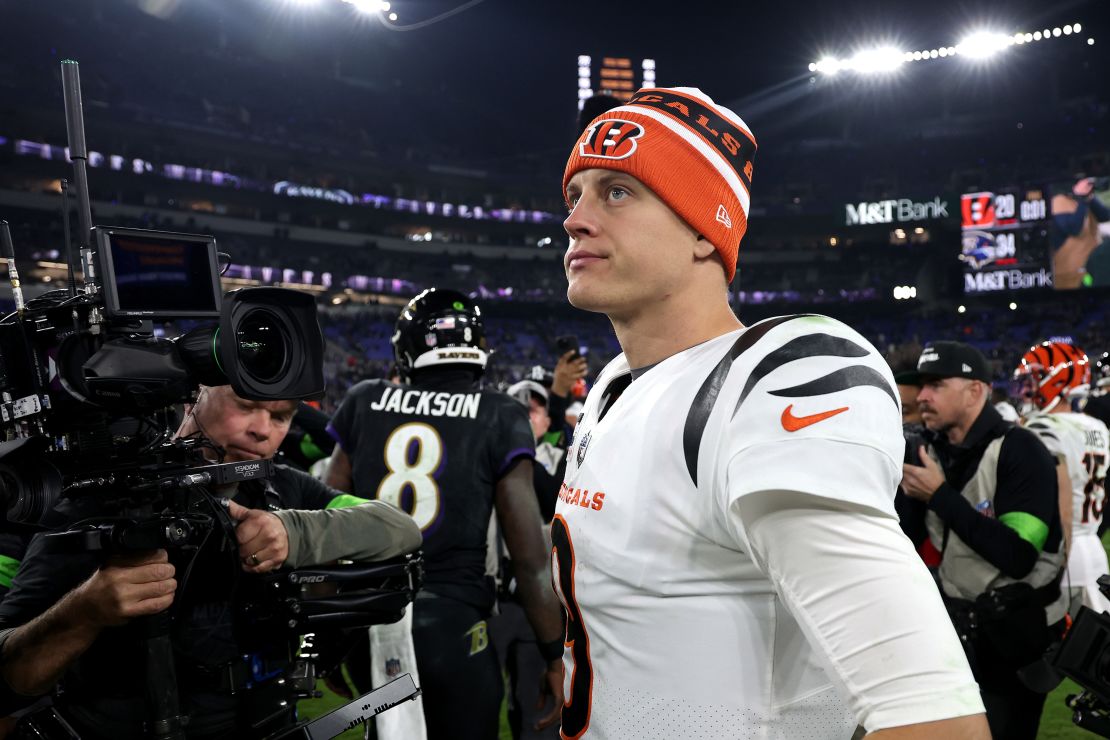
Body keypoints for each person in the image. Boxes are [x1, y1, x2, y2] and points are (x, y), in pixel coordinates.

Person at [557, 86, 986, 739]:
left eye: (617, 191)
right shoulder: (615, 384)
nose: (576, 219)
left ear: (706, 228)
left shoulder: (780, 376)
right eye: (575, 194)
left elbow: (929, 713)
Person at [0, 384, 422, 739]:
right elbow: (10, 677)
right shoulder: (101, 497)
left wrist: (294, 532)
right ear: (192, 398)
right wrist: (85, 610)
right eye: (246, 405)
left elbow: (399, 528)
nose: (262, 431)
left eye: (281, 416)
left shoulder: (281, 488)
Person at [324, 288, 565, 740]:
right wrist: (554, 653)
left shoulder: (363, 399)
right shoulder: (500, 413)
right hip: (452, 628)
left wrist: (330, 637)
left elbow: (325, 529)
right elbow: (531, 561)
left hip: (369, 621)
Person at [900, 341, 1064, 739]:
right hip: (956, 632)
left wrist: (939, 497)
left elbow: (1018, 555)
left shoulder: (1022, 450)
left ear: (976, 390)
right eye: (921, 386)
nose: (922, 396)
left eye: (936, 385)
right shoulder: (930, 450)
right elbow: (910, 539)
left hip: (1014, 641)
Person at [1014, 341, 1110, 613]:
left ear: (1058, 381)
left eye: (1034, 380)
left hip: (1064, 551)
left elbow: (1061, 501)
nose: (1026, 389)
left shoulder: (1043, 428)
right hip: (1093, 545)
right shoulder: (1097, 426)